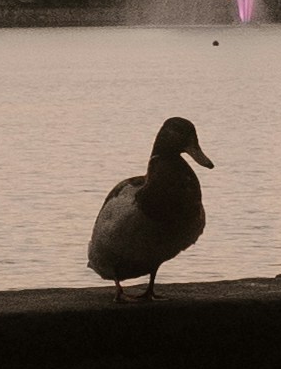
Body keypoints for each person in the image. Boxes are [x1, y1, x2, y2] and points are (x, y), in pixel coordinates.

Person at [85, 117, 213, 301]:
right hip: (111, 251)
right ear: (166, 137)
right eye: (184, 137)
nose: (194, 148)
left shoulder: (181, 181)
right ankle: (119, 290)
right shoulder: (127, 195)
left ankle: (150, 288)